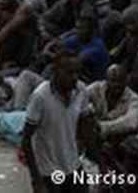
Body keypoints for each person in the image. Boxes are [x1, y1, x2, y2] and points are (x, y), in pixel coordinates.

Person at [22, 52, 92, 192]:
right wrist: (37, 179)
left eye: (77, 73)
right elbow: (26, 139)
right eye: (69, 73)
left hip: (72, 164)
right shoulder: (40, 96)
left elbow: (85, 125)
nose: (74, 77)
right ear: (55, 71)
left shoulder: (81, 90)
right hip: (48, 170)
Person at [86, 64, 138, 142]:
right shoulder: (96, 88)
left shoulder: (134, 99)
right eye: (113, 80)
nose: (117, 84)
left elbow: (132, 122)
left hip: (117, 140)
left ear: (126, 81)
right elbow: (80, 99)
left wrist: (102, 126)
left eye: (120, 80)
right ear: (106, 80)